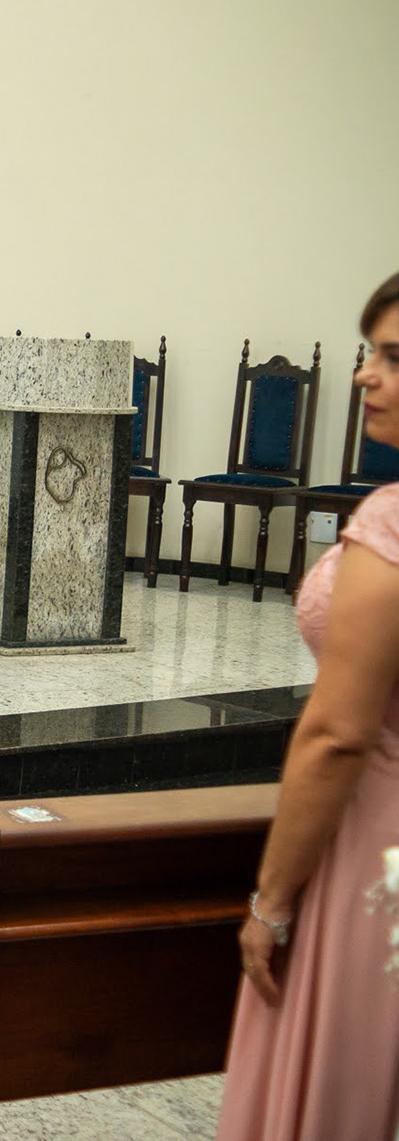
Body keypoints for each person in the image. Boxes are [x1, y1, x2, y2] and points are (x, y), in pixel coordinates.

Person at [216, 272, 399, 1139]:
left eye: (393, 357)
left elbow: (337, 736)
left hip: (372, 849)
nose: (365, 375)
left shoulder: (390, 527)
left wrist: (271, 903)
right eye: (369, 353)